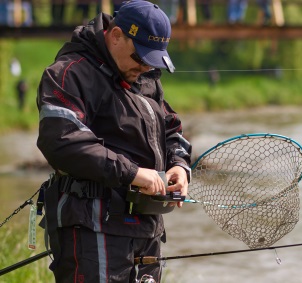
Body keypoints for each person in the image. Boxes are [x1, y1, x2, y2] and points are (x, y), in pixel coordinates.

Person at [36, 0, 192, 282]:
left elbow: (171, 129)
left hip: (146, 229)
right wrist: (133, 173)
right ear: (116, 35)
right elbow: (62, 142)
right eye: (140, 58)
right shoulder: (69, 73)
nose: (145, 68)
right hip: (91, 227)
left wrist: (180, 166)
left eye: (152, 61)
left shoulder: (146, 78)